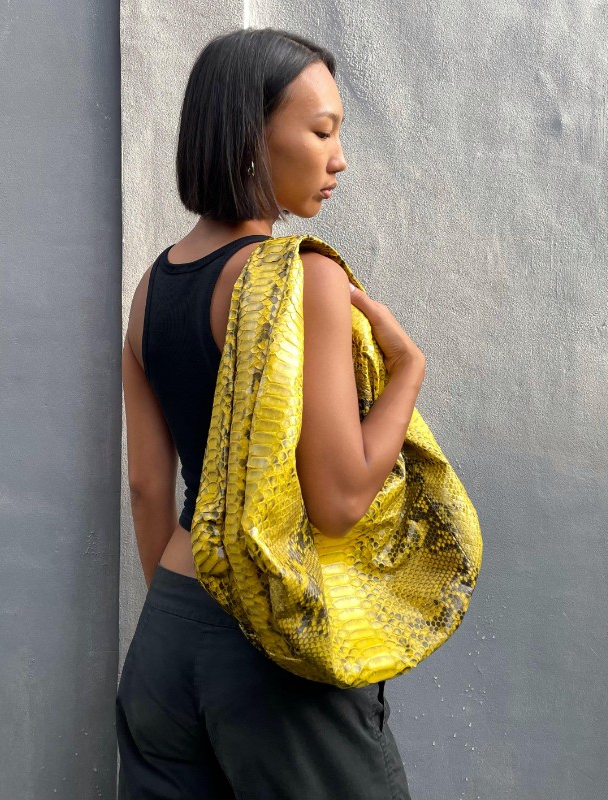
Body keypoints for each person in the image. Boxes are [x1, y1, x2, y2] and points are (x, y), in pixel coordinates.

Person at [118, 27, 426, 800]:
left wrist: (187, 630)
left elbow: (148, 490)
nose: (338, 157)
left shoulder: (151, 290)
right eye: (321, 131)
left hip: (164, 642)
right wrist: (407, 376)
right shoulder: (302, 278)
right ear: (250, 137)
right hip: (269, 651)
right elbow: (340, 498)